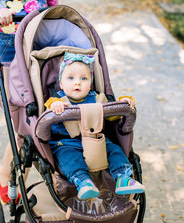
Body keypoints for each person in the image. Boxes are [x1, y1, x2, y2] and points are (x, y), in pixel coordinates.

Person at [0, 0, 59, 203]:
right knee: (22, 124)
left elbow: (53, 8)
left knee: (43, 116)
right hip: (8, 43)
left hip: (41, 43)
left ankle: (38, 179)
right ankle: (7, 176)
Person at [44, 52, 146, 200]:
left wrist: (123, 103)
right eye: (70, 78)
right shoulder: (57, 100)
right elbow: (47, 111)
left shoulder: (97, 98)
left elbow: (113, 116)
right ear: (61, 83)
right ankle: (83, 181)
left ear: (90, 82)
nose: (77, 82)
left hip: (96, 140)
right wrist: (55, 106)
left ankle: (123, 177)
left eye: (83, 78)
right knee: (69, 158)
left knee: (115, 150)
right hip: (66, 143)